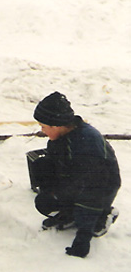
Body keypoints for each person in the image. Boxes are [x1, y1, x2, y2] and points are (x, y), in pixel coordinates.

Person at [30, 91, 121, 258]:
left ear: (55, 125)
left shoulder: (87, 146)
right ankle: (70, 213)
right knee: (42, 173)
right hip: (78, 180)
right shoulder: (63, 136)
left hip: (101, 189)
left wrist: (83, 237)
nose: (42, 131)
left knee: (87, 218)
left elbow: (93, 189)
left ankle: (103, 215)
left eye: (43, 126)